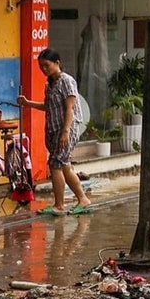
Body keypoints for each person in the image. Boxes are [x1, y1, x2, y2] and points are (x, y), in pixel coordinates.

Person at [19, 47, 91, 215]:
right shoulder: (49, 84)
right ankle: (83, 199)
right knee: (65, 166)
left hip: (66, 129)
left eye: (47, 65)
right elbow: (48, 106)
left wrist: (65, 132)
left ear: (57, 63)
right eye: (41, 66)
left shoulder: (67, 81)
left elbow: (69, 108)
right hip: (53, 129)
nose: (44, 69)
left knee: (55, 165)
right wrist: (28, 103)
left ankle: (59, 205)